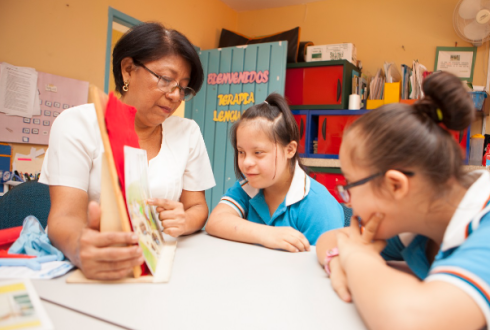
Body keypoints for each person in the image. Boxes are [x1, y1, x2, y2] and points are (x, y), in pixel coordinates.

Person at [316, 71, 490, 330]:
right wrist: (337, 259)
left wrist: (356, 258)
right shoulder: (416, 224)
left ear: (395, 185)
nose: (348, 202)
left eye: (350, 185)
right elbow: (329, 239)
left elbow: (414, 321)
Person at [40, 22, 215, 280]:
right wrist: (80, 247)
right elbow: (64, 217)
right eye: (166, 80)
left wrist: (185, 222)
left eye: (183, 87)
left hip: (162, 266)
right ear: (128, 70)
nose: (175, 96)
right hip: (93, 268)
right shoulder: (76, 123)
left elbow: (197, 206)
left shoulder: (187, 132)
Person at [205, 93, 345, 251]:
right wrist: (267, 234)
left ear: (290, 150)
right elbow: (216, 221)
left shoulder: (319, 205)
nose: (246, 163)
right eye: (241, 152)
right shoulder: (247, 187)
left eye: (258, 153)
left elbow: (330, 263)